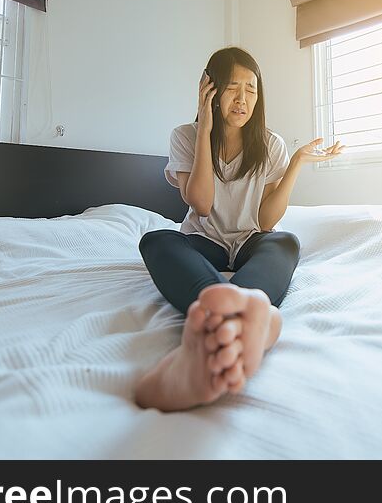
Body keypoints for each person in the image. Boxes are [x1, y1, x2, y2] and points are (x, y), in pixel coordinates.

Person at [134, 47, 343, 411]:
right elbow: (200, 203)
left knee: (285, 242)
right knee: (156, 240)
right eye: (233, 88)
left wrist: (294, 164)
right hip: (204, 240)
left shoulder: (269, 144)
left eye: (251, 88)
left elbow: (264, 222)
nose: (243, 98)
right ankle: (238, 319)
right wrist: (204, 129)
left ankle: (235, 316)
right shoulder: (185, 136)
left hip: (249, 239)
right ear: (210, 91)